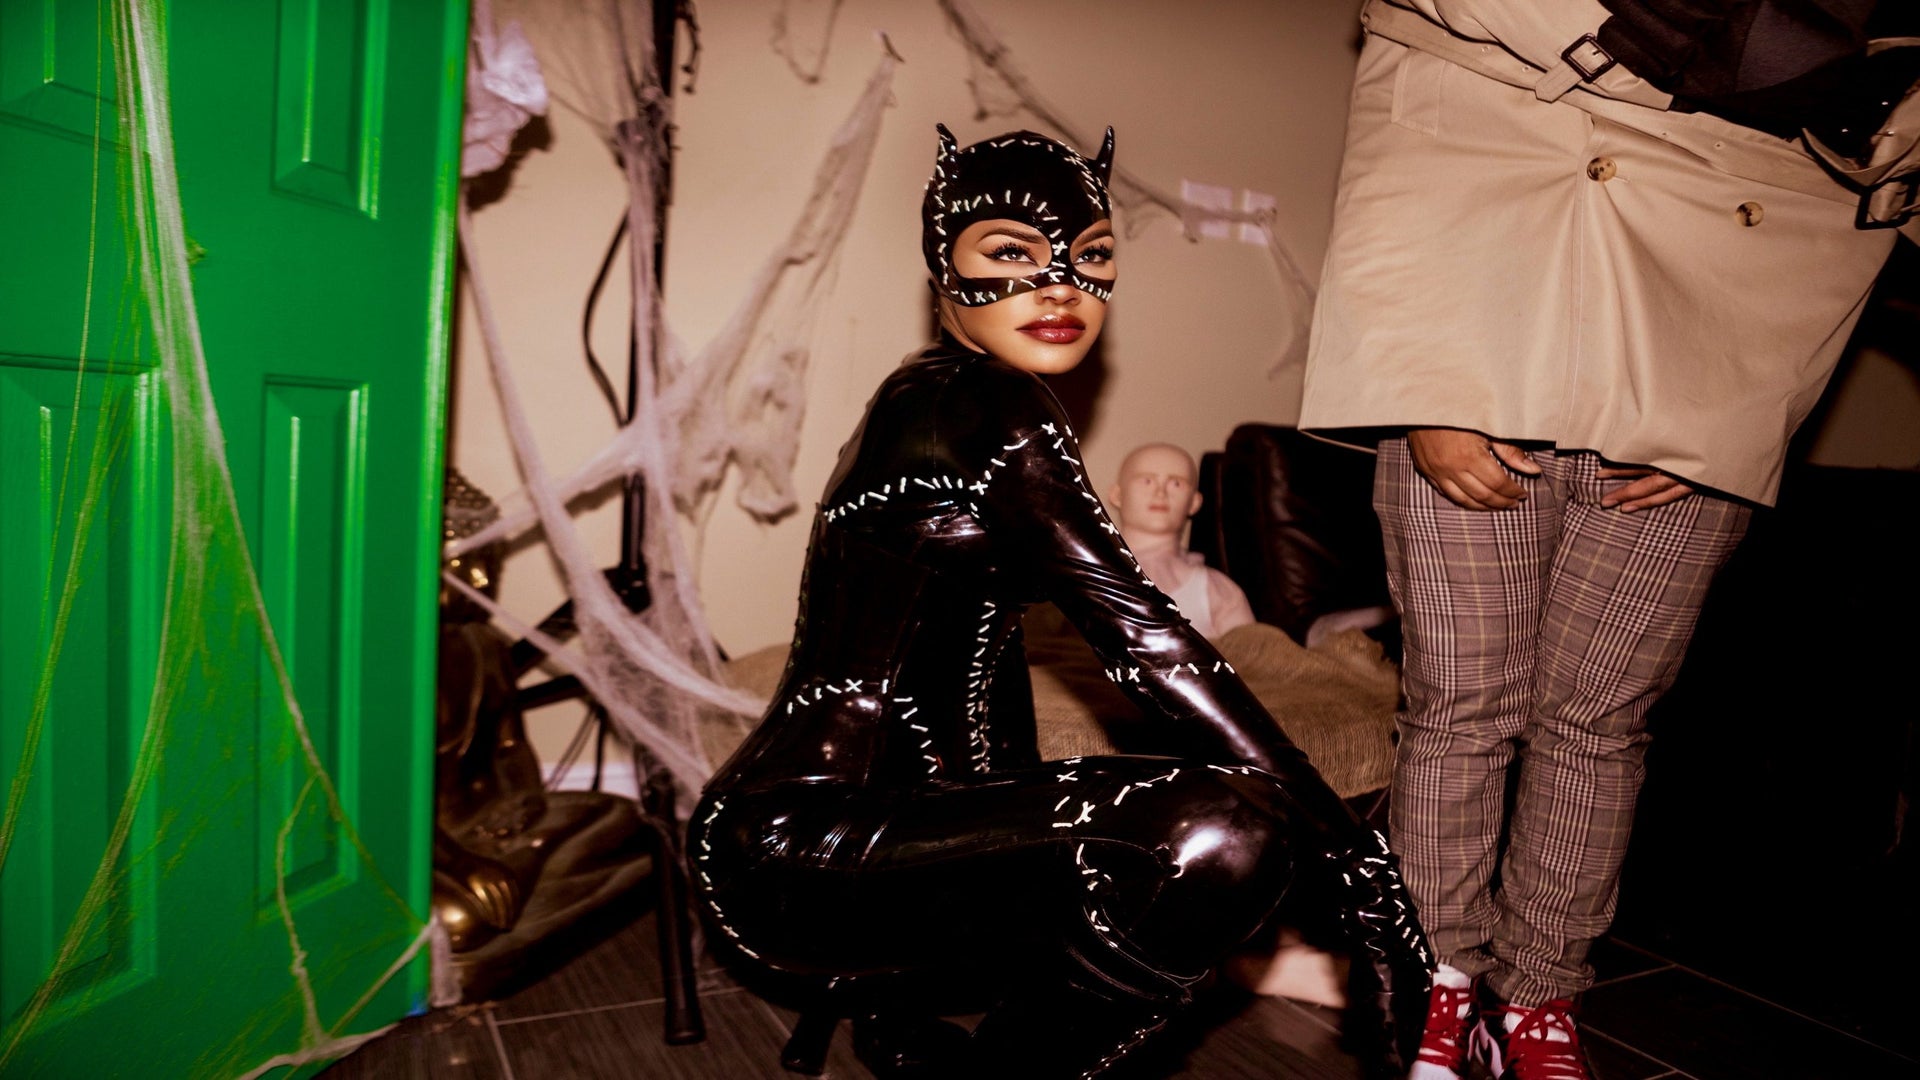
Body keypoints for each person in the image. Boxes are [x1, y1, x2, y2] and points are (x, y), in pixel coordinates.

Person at [691, 125, 1431, 1078]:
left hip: (895, 833)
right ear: (942, 266)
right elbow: (1145, 639)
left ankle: (916, 1029)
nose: (1060, 288)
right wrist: (1361, 870)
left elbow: (981, 655)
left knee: (1190, 826)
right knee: (1222, 831)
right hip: (806, 846)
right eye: (1011, 253)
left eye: (1091, 256)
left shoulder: (929, 390)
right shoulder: (978, 406)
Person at [1297, 3, 1909, 1078]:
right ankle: (1434, 981)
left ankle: (1539, 996)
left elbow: (1859, 189)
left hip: (1697, 391)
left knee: (1597, 725)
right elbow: (1410, 137)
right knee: (1458, 708)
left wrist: (1724, 412)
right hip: (1472, 370)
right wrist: (1428, 381)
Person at [1107, 442, 1254, 642]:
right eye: (1147, 481)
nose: (1160, 493)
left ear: (1194, 502)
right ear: (1117, 495)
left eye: (1176, 484)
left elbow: (1254, 652)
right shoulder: (1084, 571)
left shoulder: (1219, 590)